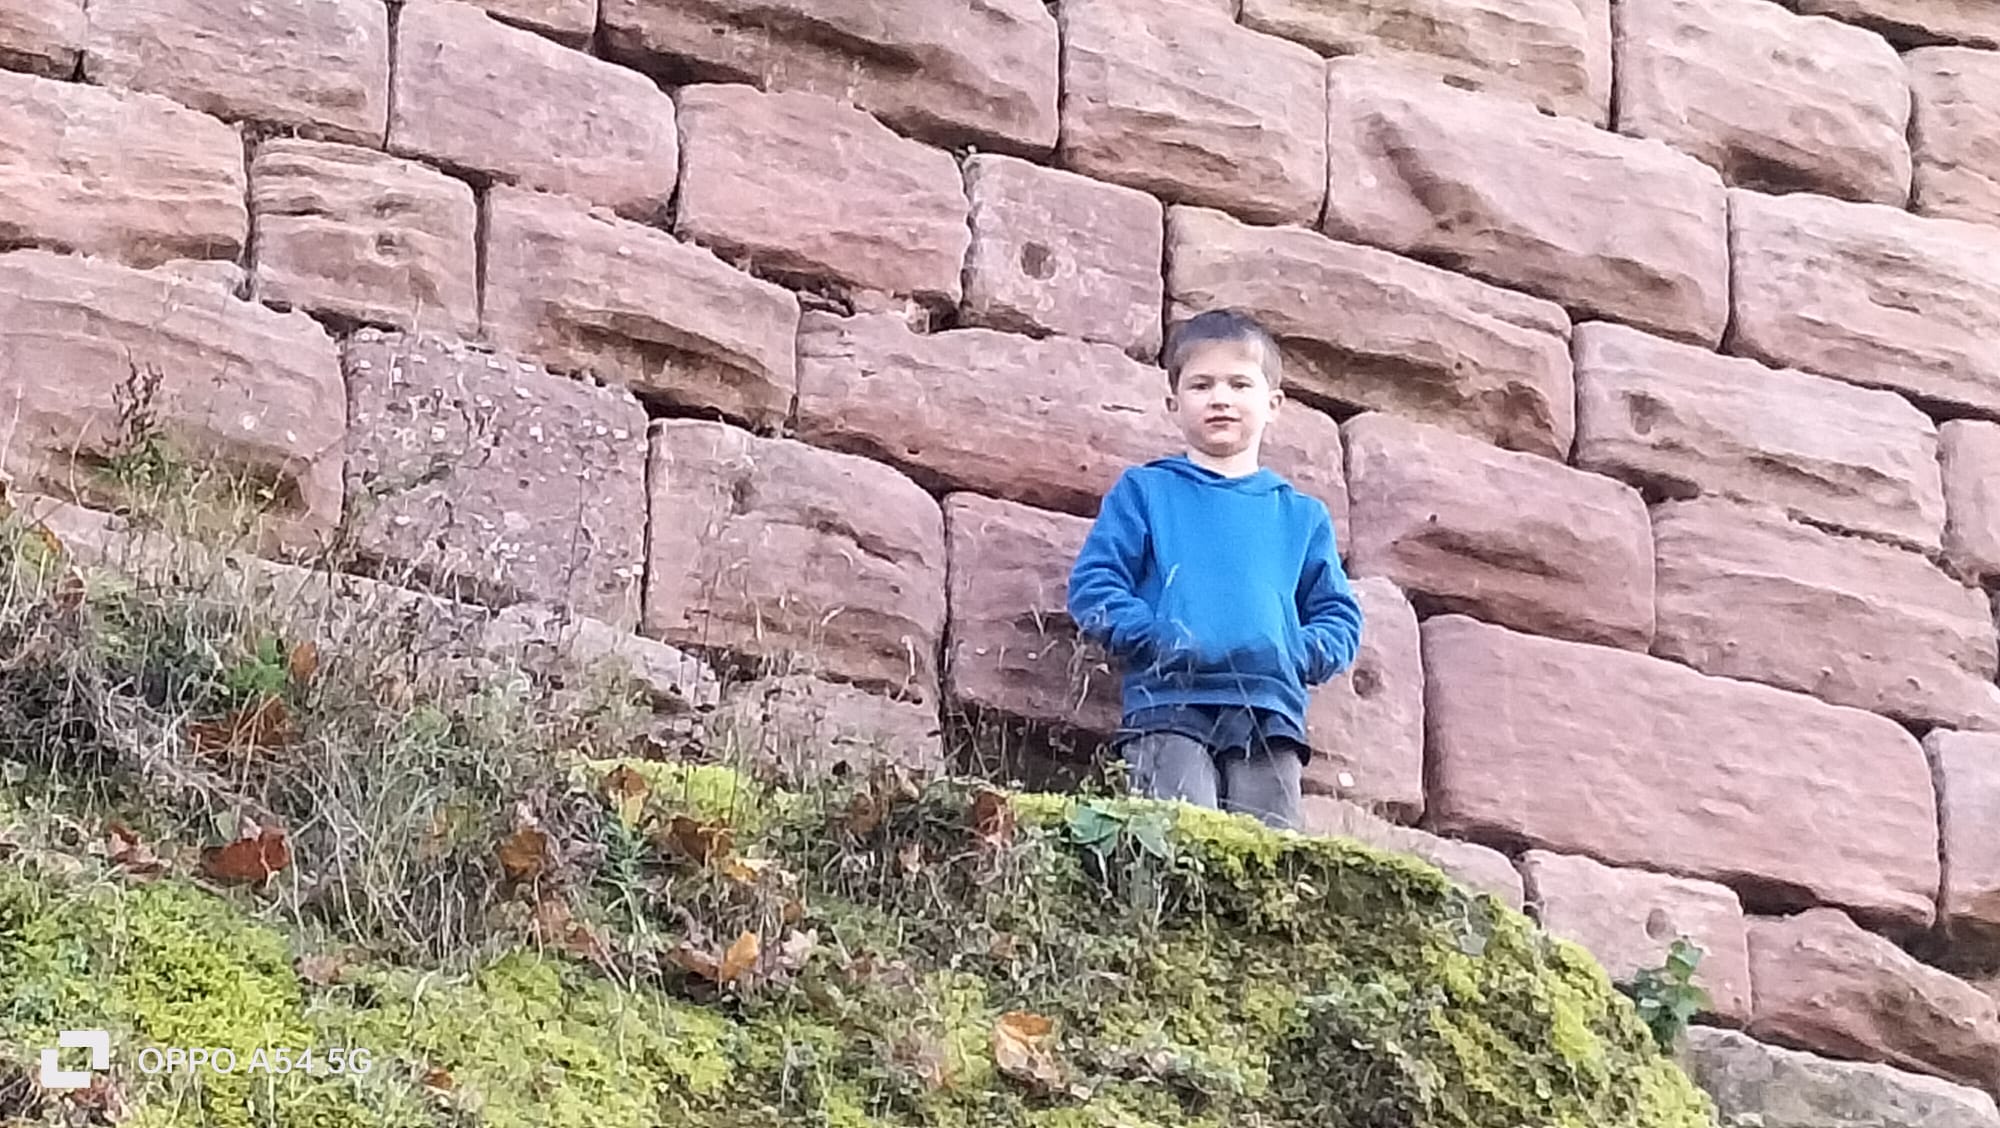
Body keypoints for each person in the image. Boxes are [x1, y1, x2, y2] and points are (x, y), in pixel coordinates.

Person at [1065, 309, 1364, 830]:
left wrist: (1291, 652)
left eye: (1239, 384)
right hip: (1168, 701)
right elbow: (1095, 584)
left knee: (1268, 854)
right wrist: (1155, 637)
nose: (1220, 398)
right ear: (1173, 403)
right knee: (1177, 840)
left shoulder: (1300, 516)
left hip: (1268, 709)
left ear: (1273, 405)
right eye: (1201, 385)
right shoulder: (1146, 492)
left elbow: (1337, 614)